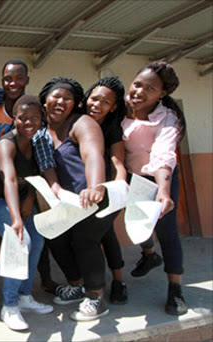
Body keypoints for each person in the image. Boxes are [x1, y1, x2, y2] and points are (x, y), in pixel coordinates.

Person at [34, 76, 113, 321]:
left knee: (84, 240)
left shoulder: (82, 122)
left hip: (93, 198)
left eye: (68, 98)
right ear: (45, 99)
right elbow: (46, 166)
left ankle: (96, 297)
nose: (61, 101)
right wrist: (54, 189)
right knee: (55, 238)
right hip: (66, 202)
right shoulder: (41, 131)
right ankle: (77, 285)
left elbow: (92, 155)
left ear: (75, 104)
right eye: (56, 96)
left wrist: (95, 186)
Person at [0, 95, 57, 331]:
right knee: (20, 241)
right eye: (23, 118)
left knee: (37, 240)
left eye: (35, 118)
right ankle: (10, 305)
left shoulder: (36, 142)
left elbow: (34, 177)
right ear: (13, 119)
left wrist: (29, 199)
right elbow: (10, 180)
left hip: (21, 199)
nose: (29, 122)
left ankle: (25, 296)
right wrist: (16, 218)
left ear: (41, 119)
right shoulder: (6, 144)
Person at [122, 61, 187, 316]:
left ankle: (176, 291)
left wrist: (163, 190)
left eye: (150, 89)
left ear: (162, 94)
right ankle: (149, 254)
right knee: (137, 223)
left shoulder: (168, 119)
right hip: (130, 177)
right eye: (138, 84)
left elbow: (163, 156)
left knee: (167, 231)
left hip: (161, 178)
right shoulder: (120, 106)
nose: (140, 91)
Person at [83, 76, 129, 304]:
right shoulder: (78, 121)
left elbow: (118, 163)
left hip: (107, 191)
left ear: (113, 107)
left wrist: (119, 186)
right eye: (94, 98)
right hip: (84, 192)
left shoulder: (112, 129)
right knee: (102, 235)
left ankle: (118, 282)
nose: (96, 105)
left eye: (105, 102)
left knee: (106, 235)